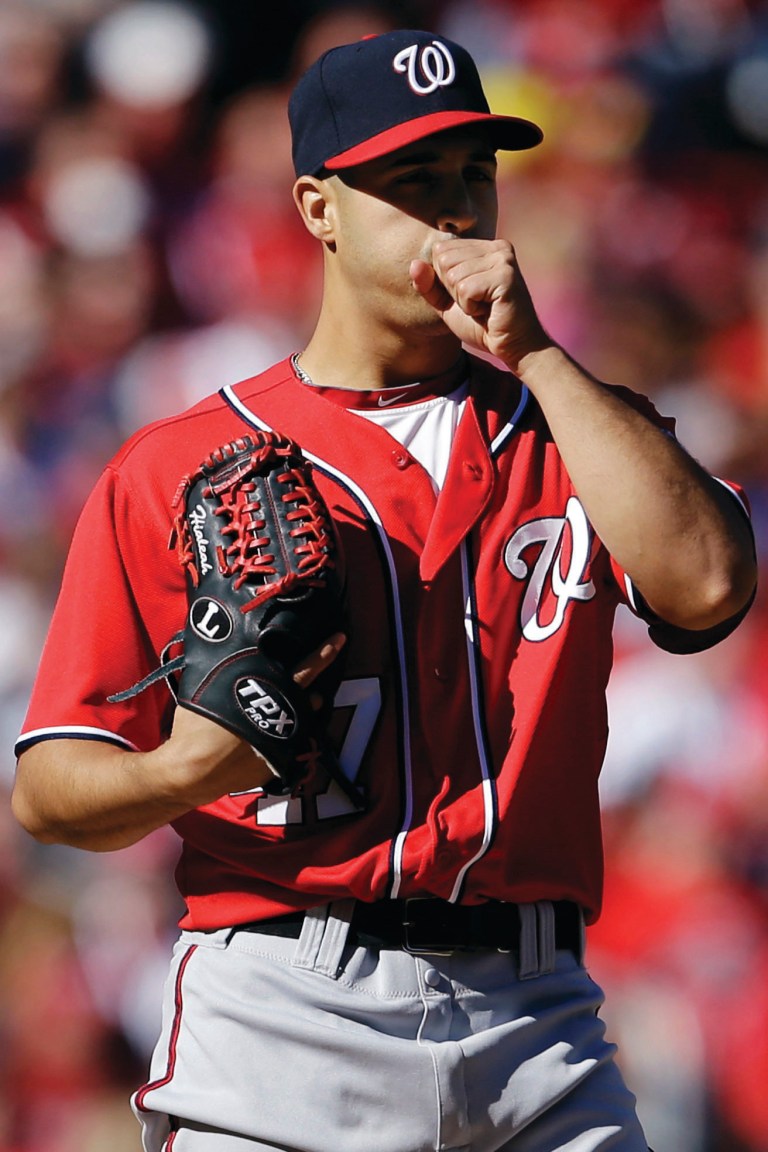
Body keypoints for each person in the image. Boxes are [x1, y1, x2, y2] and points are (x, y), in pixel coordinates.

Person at [11, 27, 758, 1152]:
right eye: (412, 180)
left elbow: (707, 584)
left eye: (473, 174)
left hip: (540, 1017)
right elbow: (49, 788)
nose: (455, 209)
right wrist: (180, 772)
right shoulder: (179, 465)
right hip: (283, 1012)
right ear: (320, 209)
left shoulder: (580, 433)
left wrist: (538, 356)